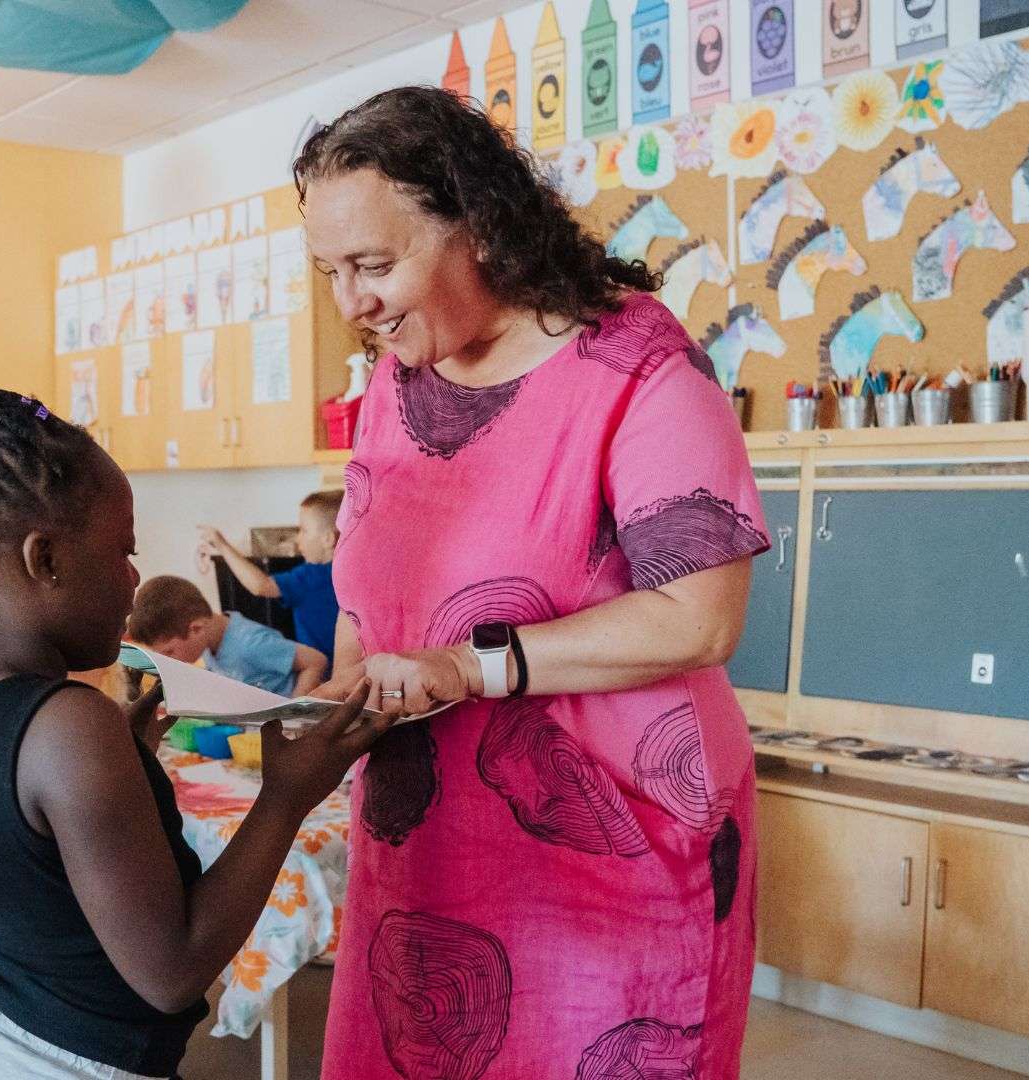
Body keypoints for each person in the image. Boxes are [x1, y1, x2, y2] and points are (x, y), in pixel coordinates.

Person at [295, 87, 769, 1079]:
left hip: (611, 857)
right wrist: (347, 689)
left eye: (376, 265)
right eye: (331, 272)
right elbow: (369, 582)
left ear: (479, 225)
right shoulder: (392, 381)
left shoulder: (636, 366)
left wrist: (472, 669)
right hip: (427, 850)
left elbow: (701, 617)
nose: (353, 302)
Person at [0, 387, 391, 1080]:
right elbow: (172, 972)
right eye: (123, 551)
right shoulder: (67, 727)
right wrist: (284, 797)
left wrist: (125, 754)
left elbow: (28, 880)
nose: (136, 578)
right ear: (43, 559)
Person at [197, 489, 343, 661]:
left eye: (303, 530)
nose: (298, 539)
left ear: (328, 539)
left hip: (323, 674)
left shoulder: (310, 577)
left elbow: (261, 586)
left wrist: (222, 545)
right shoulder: (353, 572)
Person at [127, 575, 325, 697]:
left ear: (196, 629)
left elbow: (315, 660)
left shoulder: (250, 644)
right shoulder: (207, 643)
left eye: (169, 652)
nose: (168, 660)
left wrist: (294, 714)